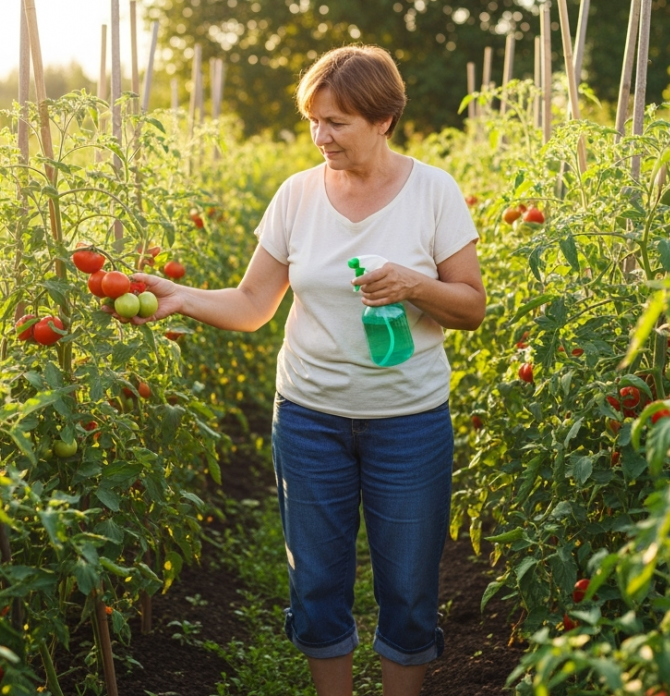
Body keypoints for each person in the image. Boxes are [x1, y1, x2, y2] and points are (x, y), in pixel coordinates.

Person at [131, 45, 485, 696]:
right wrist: (180, 297)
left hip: (408, 422)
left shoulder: (432, 193)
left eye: (338, 122)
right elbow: (252, 304)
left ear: (384, 120)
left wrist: (414, 284)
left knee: (408, 587)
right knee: (317, 583)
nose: (322, 136)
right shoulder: (296, 196)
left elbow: (471, 306)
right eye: (314, 121)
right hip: (309, 418)